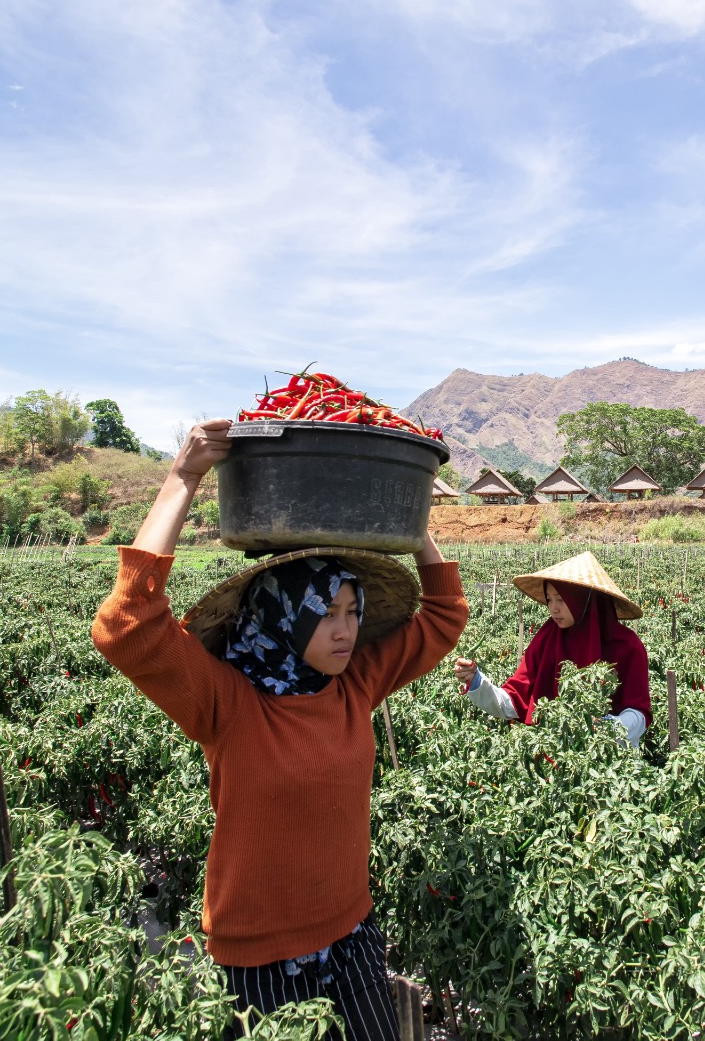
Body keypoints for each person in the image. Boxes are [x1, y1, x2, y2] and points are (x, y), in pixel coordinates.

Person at [91, 419, 467, 1040]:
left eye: (353, 612)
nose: (346, 631)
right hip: (258, 959)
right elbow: (127, 624)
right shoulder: (228, 706)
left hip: (352, 934)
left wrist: (406, 514)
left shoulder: (355, 687)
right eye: (327, 614)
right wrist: (184, 476)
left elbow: (445, 615)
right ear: (282, 617)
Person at [452, 551, 650, 746]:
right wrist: (477, 682)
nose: (553, 608)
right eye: (549, 599)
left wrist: (607, 729)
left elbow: (639, 714)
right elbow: (515, 700)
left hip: (607, 767)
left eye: (561, 599)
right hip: (552, 761)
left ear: (583, 599)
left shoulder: (627, 646)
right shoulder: (547, 639)